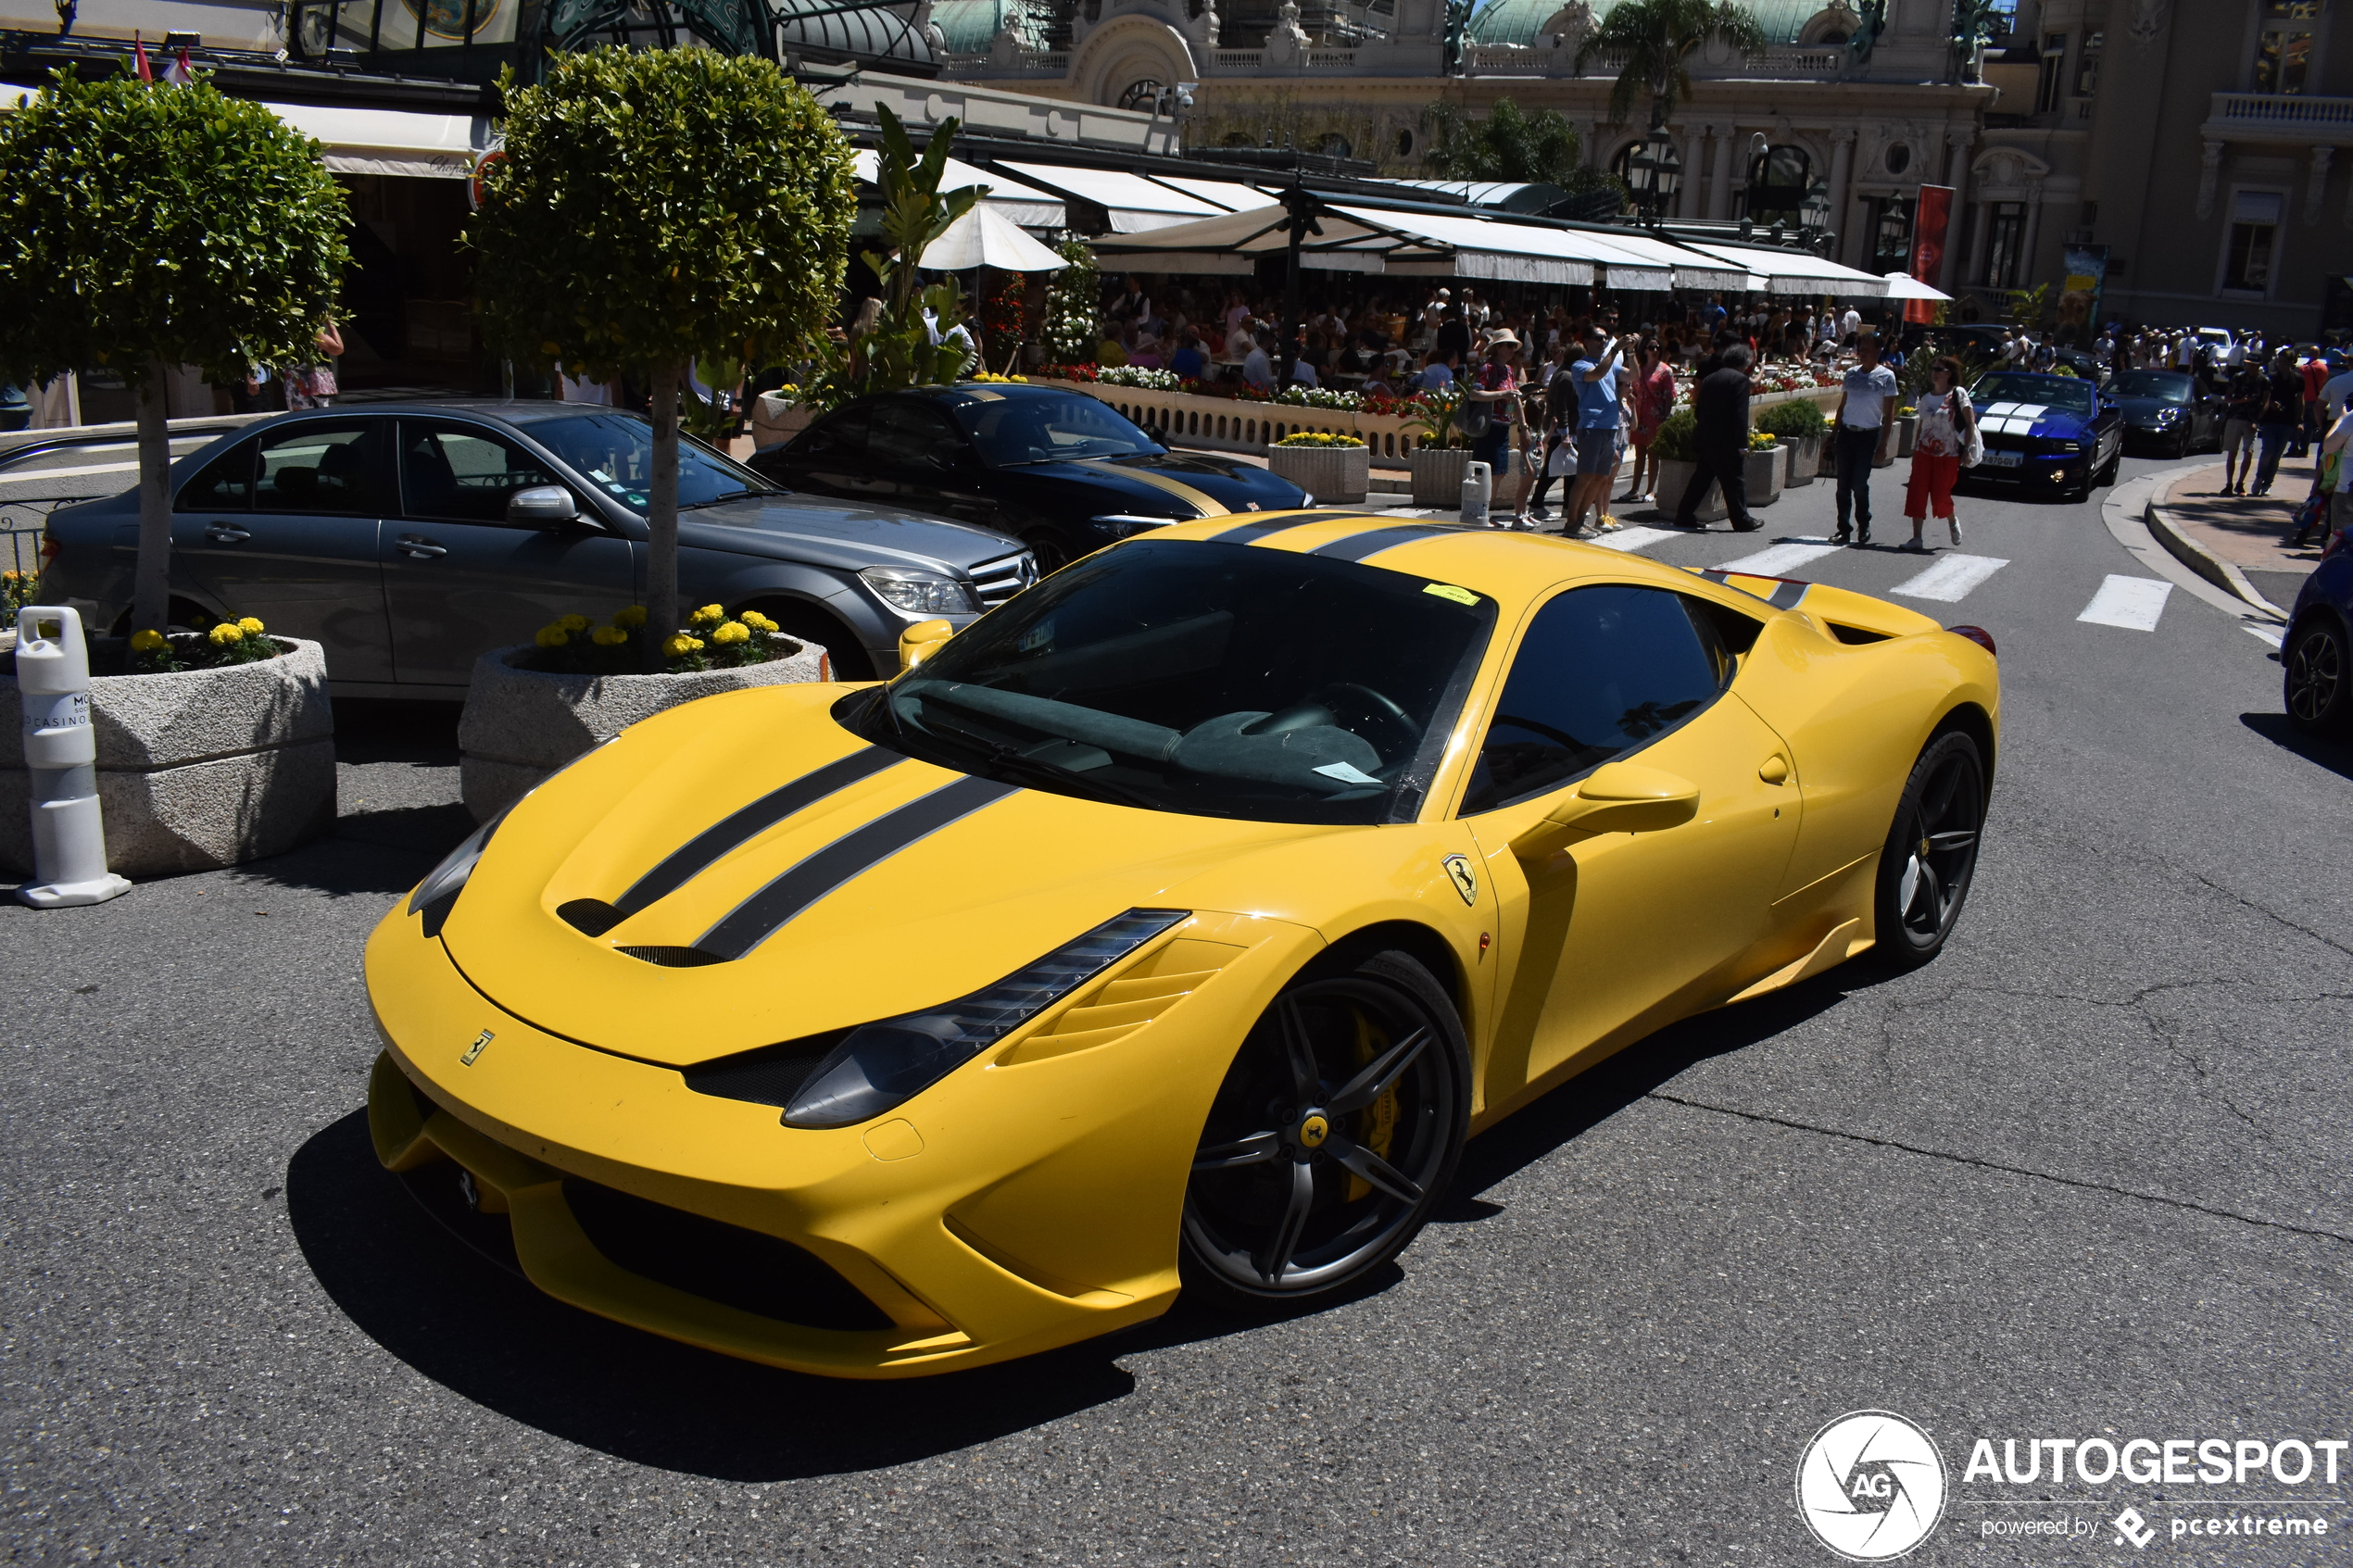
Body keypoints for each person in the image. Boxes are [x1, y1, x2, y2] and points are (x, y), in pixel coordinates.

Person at [1675, 344, 1758, 533]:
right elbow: (1739, 415)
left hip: (1707, 437)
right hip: (1727, 440)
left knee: (1701, 479)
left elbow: (1700, 408)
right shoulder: (1739, 380)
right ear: (1744, 363)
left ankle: (1684, 514)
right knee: (1734, 481)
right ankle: (1741, 520)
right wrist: (1742, 444)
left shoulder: (1711, 378)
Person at [1902, 356, 1977, 552]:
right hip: (1923, 452)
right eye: (1932, 368)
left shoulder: (1958, 394)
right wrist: (1914, 451)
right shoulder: (1926, 399)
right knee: (1916, 492)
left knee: (1941, 494)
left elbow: (1970, 423)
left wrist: (1967, 449)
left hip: (1948, 454)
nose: (1934, 372)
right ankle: (1916, 538)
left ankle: (1951, 520)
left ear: (1949, 374)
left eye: (1939, 369)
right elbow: (1922, 426)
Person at [1831, 332, 1898, 546]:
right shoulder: (1851, 374)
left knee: (1859, 484)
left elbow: (1889, 415)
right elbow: (1843, 406)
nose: (1863, 353)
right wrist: (1833, 435)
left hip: (1868, 436)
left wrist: (1883, 445)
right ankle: (1843, 528)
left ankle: (1864, 523)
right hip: (1847, 434)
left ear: (1878, 351)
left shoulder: (1886, 376)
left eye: (1868, 349)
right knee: (1843, 485)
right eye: (1861, 349)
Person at [1462, 331, 1522, 521]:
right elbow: (1475, 394)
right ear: (1498, 348)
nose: (1512, 349)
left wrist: (1520, 421)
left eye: (1514, 346)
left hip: (1503, 426)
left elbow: (1511, 398)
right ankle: (1480, 511)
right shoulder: (1488, 368)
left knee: (1499, 472)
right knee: (1487, 471)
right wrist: (1502, 395)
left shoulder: (1509, 370)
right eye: (1509, 345)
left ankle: (1484, 510)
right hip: (1488, 426)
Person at [1524, 341, 1578, 522]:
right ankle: (1536, 504)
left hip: (1565, 429)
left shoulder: (1564, 374)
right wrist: (1564, 433)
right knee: (1553, 470)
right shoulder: (1566, 377)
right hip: (1563, 430)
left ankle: (1568, 506)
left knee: (1570, 470)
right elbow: (1562, 407)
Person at [1625, 336, 1677, 504]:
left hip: (1656, 417)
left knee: (1653, 454)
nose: (1654, 350)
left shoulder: (1665, 371)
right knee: (1639, 453)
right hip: (1640, 415)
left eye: (1657, 347)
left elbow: (1669, 395)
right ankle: (1634, 489)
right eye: (1651, 347)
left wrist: (1665, 417)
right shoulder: (1639, 369)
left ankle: (1651, 490)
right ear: (1644, 350)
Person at [2252, 349, 2303, 497]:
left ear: (2292, 363)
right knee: (2268, 451)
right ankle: (2259, 478)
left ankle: (2268, 483)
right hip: (2270, 419)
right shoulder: (2271, 378)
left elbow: (2300, 400)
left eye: (2284, 362)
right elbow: (2264, 397)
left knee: (2276, 455)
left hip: (2287, 420)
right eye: (2279, 362)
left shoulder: (2298, 379)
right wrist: (2271, 404)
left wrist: (2299, 421)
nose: (2280, 365)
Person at [2220, 361, 2267, 495]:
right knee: (2232, 451)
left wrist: (2257, 420)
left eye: (2254, 365)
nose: (2250, 367)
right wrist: (2240, 401)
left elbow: (2265, 402)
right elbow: (2227, 398)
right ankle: (2229, 483)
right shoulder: (2238, 377)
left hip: (2251, 420)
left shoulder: (2264, 381)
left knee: (2248, 451)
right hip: (2235, 417)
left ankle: (2240, 483)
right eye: (2248, 364)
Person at [283, 317, 343, 409]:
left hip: (293, 382)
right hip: (310, 385)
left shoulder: (287, 327)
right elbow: (338, 349)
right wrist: (330, 322)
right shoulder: (311, 330)